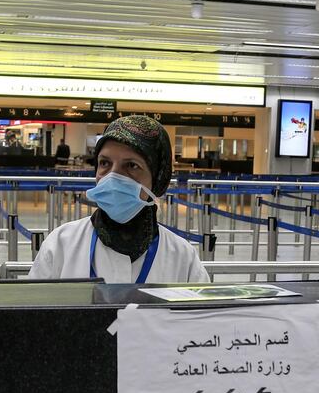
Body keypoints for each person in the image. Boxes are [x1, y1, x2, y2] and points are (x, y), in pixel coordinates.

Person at [29, 115, 209, 283]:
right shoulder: (61, 244)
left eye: (131, 165)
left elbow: (202, 315)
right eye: (105, 163)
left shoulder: (182, 258)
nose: (113, 176)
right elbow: (33, 312)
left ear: (157, 179)